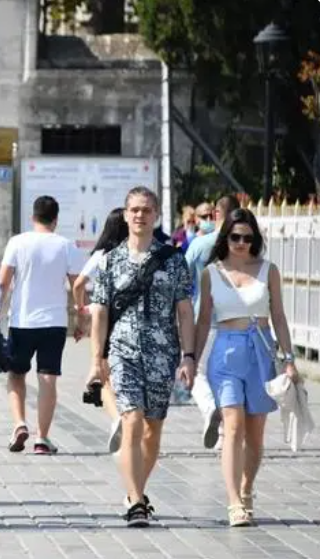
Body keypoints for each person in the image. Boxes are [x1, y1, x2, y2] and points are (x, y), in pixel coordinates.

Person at [89, 186, 196, 528]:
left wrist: (189, 355)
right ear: (125, 215)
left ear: (156, 215)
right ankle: (136, 501)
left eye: (146, 210)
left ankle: (137, 489)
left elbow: (184, 311)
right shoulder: (110, 261)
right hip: (123, 352)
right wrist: (97, 359)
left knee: (152, 430)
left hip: (163, 353)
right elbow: (100, 312)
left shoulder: (174, 260)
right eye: (134, 209)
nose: (139, 215)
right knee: (132, 421)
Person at [194, 208, 299, 527]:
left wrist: (290, 359)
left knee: (255, 434)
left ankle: (247, 489)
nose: (241, 243)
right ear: (225, 236)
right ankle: (234, 503)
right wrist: (190, 360)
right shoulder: (211, 272)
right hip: (225, 353)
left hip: (261, 352)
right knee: (233, 426)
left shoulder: (269, 270)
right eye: (235, 236)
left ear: (255, 239)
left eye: (247, 238)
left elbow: (278, 316)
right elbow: (202, 320)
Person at [0, 195, 84, 455]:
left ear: (32, 217)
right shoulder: (65, 245)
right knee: (47, 378)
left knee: (15, 375)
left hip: (22, 321)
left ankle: (19, 423)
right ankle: (41, 439)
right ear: (56, 219)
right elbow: (77, 286)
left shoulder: (18, 242)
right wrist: (81, 319)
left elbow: (3, 282)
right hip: (54, 323)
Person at [185, 194, 241, 449]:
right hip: (236, 321)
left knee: (193, 372)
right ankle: (223, 435)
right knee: (226, 376)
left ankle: (209, 409)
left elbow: (183, 281)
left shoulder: (200, 244)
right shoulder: (243, 244)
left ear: (216, 214)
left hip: (203, 320)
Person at [72, 207, 128, 453]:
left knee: (104, 373)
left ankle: (116, 417)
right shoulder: (135, 253)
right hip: (130, 319)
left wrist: (81, 308)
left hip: (103, 317)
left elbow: (78, 283)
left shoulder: (102, 255)